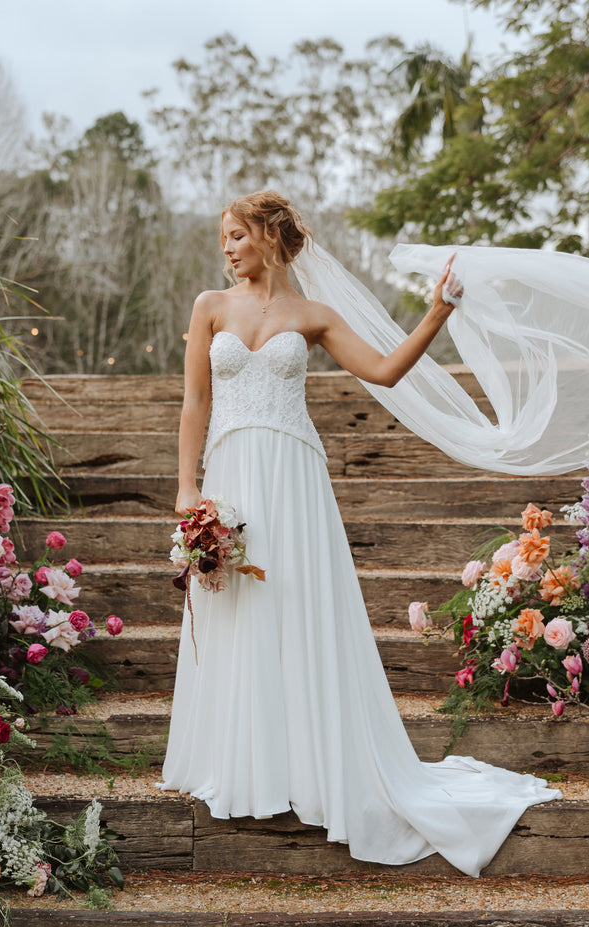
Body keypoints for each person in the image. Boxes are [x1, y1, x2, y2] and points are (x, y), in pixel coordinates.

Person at [159, 190, 565, 877]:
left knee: (295, 607)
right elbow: (195, 399)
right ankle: (243, 766)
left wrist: (436, 311)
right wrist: (187, 487)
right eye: (223, 237)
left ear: (266, 235)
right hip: (230, 473)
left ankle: (318, 766)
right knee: (237, 610)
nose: (226, 248)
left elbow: (384, 371)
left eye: (235, 235)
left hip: (294, 478)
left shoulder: (313, 316)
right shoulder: (210, 307)